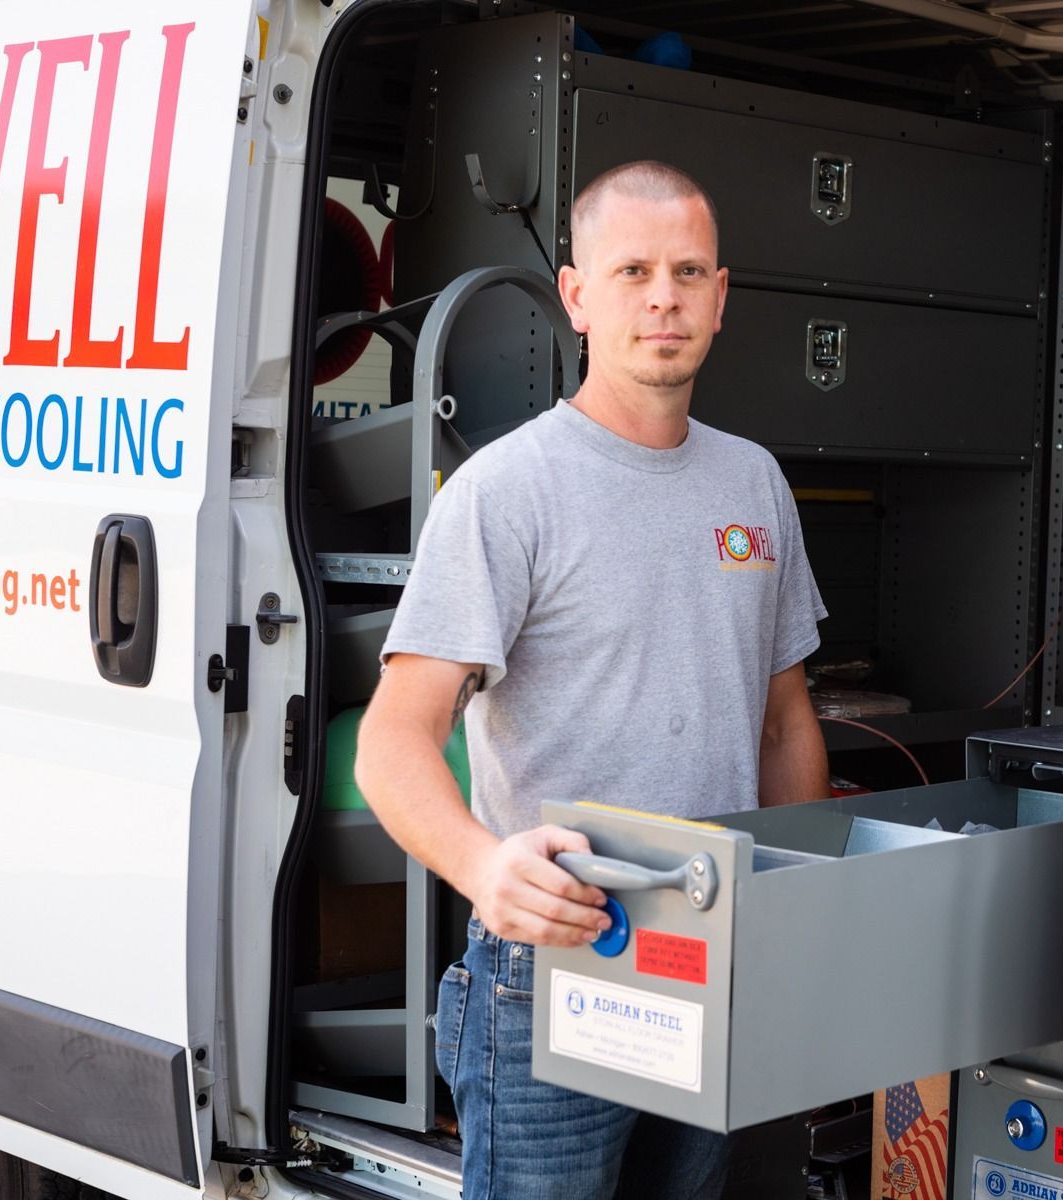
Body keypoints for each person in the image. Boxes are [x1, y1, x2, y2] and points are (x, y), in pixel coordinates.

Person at [354, 160, 829, 1200]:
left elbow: (784, 719)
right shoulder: (507, 492)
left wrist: (792, 908)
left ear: (720, 297)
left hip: (711, 951)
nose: (663, 295)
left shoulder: (753, 481)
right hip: (558, 963)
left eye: (688, 271)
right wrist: (485, 871)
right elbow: (393, 738)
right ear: (576, 296)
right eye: (632, 271)